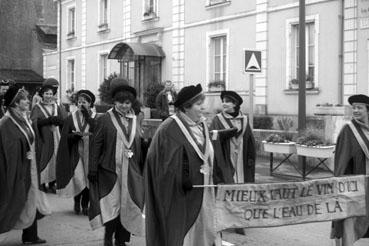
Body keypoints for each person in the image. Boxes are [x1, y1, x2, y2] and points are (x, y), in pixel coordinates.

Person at [145, 83, 224, 246]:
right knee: (183, 234)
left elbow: (206, 154)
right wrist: (181, 176)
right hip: (180, 195)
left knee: (205, 230)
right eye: (198, 104)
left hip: (203, 191)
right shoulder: (169, 128)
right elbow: (161, 165)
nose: (203, 107)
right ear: (186, 107)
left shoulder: (201, 125)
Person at [89, 79, 145, 246]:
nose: (124, 106)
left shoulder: (134, 120)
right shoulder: (105, 119)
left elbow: (138, 144)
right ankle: (108, 235)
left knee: (128, 206)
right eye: (120, 102)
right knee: (112, 206)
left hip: (131, 172)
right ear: (114, 102)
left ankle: (121, 239)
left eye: (127, 103)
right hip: (110, 171)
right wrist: (92, 168)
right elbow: (96, 144)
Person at [0, 85, 51, 244]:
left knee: (31, 198)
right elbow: (9, 147)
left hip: (28, 167)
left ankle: (30, 235)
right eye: (25, 99)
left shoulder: (22, 117)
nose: (28, 101)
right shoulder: (7, 122)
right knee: (12, 200)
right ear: (16, 103)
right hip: (16, 168)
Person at [331, 94, 369, 246]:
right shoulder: (348, 130)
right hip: (356, 186)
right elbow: (341, 161)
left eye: (359, 107)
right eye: (353, 108)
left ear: (368, 110)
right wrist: (341, 186)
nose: (355, 110)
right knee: (350, 222)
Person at [56, 90, 99, 215]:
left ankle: (85, 205)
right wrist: (73, 137)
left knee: (87, 181)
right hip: (76, 153)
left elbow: (97, 131)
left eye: (84, 102)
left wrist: (87, 116)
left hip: (90, 153)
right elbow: (65, 136)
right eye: (79, 102)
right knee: (78, 178)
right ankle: (76, 202)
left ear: (90, 104)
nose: (81, 104)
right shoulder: (71, 117)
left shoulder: (96, 117)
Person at [210, 91, 256, 184]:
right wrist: (222, 135)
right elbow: (211, 139)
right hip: (225, 156)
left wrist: (250, 157)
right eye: (223, 101)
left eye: (227, 101)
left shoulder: (245, 119)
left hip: (242, 156)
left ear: (235, 103)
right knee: (227, 181)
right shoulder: (217, 119)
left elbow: (250, 140)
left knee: (242, 182)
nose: (224, 104)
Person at [30, 79, 65, 193]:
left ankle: (52, 183)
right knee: (43, 158)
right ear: (42, 94)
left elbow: (63, 120)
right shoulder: (37, 107)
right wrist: (47, 121)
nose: (49, 96)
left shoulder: (56, 106)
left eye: (50, 94)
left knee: (55, 159)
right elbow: (33, 122)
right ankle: (42, 183)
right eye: (46, 94)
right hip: (43, 138)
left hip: (56, 137)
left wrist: (60, 121)